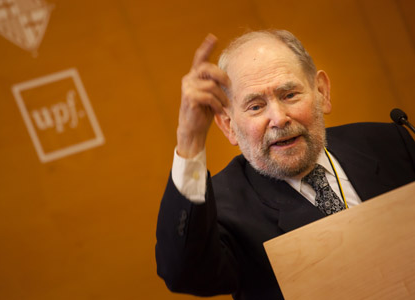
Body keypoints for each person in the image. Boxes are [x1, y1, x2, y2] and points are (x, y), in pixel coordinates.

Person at [155, 29, 415, 300]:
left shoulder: (387, 142)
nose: (279, 118)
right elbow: (184, 274)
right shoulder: (218, 206)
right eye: (255, 106)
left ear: (322, 92)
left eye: (289, 95)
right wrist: (190, 139)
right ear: (229, 125)